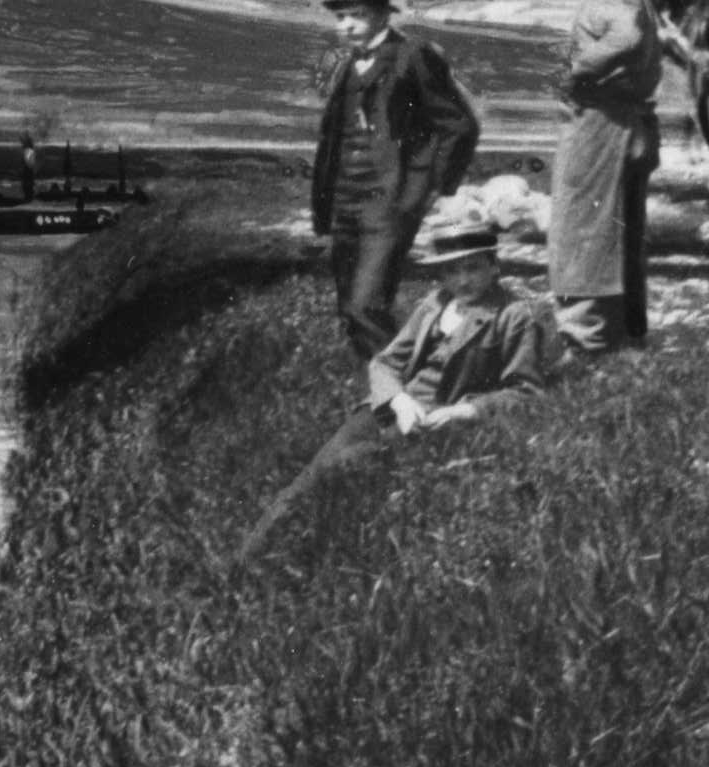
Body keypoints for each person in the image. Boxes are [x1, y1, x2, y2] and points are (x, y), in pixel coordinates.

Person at [238, 199, 568, 561]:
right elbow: (385, 363)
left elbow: (526, 392)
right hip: (392, 408)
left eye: (473, 268)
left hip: (433, 420)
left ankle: (306, 556)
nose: (462, 280)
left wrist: (464, 412)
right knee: (309, 480)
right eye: (451, 271)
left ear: (494, 267)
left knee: (347, 473)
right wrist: (398, 399)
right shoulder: (436, 304)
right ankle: (244, 562)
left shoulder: (513, 316)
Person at [307, 0, 480, 359]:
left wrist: (433, 187)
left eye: (357, 16)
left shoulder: (412, 56)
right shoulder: (347, 66)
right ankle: (378, 396)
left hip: (389, 200)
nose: (347, 26)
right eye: (341, 17)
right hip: (345, 201)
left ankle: (406, 391)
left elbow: (460, 125)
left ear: (383, 15)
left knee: (365, 305)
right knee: (350, 309)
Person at [545, 0, 659, 351]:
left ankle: (584, 339)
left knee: (580, 228)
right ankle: (623, 336)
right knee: (617, 230)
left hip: (600, 124)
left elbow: (625, 35)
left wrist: (577, 68)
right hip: (622, 121)